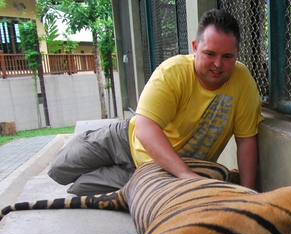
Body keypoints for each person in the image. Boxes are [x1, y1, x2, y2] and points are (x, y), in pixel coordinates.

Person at [48, 9, 263, 195]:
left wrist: (249, 193)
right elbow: (144, 128)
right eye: (210, 54)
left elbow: (246, 141)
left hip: (155, 170)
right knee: (59, 168)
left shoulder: (243, 81)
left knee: (79, 188)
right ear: (195, 47)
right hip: (124, 139)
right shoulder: (172, 72)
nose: (218, 64)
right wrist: (185, 174)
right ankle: (95, 146)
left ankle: (118, 175)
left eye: (227, 57)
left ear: (237, 53)